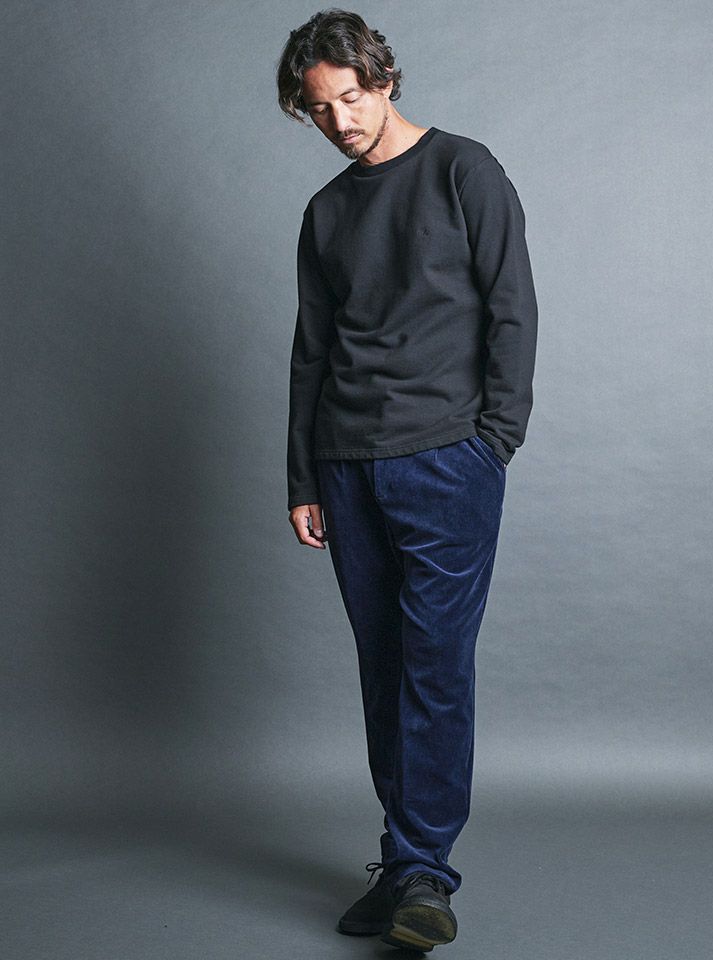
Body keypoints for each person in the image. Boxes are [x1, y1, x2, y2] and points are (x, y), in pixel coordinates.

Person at [277, 8, 538, 953]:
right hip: (346, 466)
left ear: (384, 80)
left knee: (434, 668)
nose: (340, 120)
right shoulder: (327, 211)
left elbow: (512, 308)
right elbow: (312, 350)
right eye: (319, 108)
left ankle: (426, 870)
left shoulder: (464, 170)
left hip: (445, 460)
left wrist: (493, 440)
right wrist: (303, 477)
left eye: (351, 97)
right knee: (384, 671)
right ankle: (402, 864)